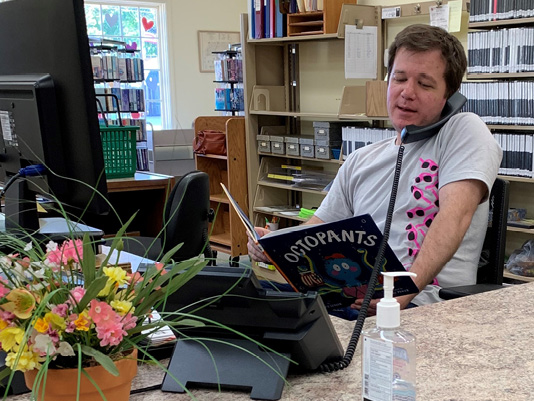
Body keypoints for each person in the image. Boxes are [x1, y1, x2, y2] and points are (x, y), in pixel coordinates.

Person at [248, 24, 502, 317]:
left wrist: (400, 297)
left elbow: (455, 217)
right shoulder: (360, 159)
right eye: (400, 78)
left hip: (420, 306)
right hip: (346, 297)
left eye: (425, 84)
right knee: (244, 298)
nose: (407, 93)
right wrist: (274, 243)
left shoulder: (463, 130)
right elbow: (315, 231)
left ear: (450, 95)